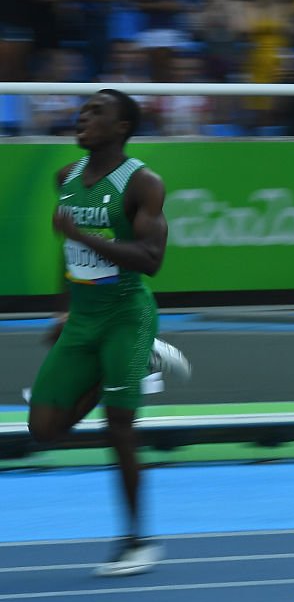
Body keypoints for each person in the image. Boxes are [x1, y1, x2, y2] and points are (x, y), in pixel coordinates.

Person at [27, 89, 190, 577]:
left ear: (121, 128)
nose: (83, 117)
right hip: (83, 317)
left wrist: (81, 235)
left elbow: (151, 261)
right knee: (44, 431)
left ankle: (138, 541)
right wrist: (61, 310)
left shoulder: (143, 183)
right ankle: (137, 362)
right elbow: (69, 257)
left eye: (97, 112)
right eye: (82, 110)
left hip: (126, 314)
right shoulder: (66, 179)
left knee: (119, 427)